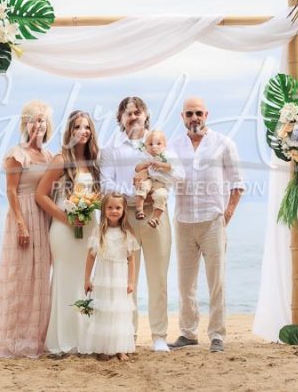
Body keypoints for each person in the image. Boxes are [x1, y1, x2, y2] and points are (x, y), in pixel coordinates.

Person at [99, 97, 184, 352]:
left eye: (137, 112)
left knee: (158, 277)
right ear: (121, 118)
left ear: (146, 114)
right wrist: (134, 189)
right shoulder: (111, 148)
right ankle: (129, 334)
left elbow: (179, 175)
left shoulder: (160, 142)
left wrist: (153, 173)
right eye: (128, 113)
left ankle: (159, 335)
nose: (133, 117)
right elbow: (105, 184)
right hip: (127, 215)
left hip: (156, 213)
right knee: (128, 279)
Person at [168, 97, 244, 353]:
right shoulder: (173, 146)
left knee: (216, 281)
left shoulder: (224, 143)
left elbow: (237, 182)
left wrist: (228, 212)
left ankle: (217, 335)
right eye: (189, 114)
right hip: (183, 221)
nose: (194, 118)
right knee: (185, 282)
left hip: (212, 222)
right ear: (182, 117)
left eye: (198, 113)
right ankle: (188, 333)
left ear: (207, 114)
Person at [0, 100, 54, 358]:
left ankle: (34, 338)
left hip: (43, 217)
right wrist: (21, 224)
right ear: (25, 124)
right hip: (23, 215)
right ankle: (13, 339)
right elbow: (11, 190)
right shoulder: (17, 153)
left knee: (39, 280)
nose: (38, 125)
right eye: (34, 120)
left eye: (42, 120)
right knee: (20, 277)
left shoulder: (48, 156)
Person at [36, 110, 101, 355]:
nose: (82, 132)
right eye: (77, 127)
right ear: (70, 132)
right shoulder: (61, 159)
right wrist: (67, 219)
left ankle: (85, 338)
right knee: (65, 280)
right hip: (64, 230)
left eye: (86, 127)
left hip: (89, 229)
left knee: (86, 282)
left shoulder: (94, 162)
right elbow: (41, 195)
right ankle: (62, 341)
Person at [79, 193, 140, 361]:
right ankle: (104, 347)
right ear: (104, 209)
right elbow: (90, 257)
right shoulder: (99, 231)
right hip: (103, 276)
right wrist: (87, 279)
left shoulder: (127, 232)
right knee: (104, 311)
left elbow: (131, 259)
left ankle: (120, 348)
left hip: (119, 277)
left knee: (119, 311)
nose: (114, 211)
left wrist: (131, 281)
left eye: (118, 208)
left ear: (124, 210)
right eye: (110, 207)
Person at [133, 129, 171, 222]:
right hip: (149, 180)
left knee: (161, 195)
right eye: (150, 144)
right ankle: (139, 209)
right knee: (141, 186)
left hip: (160, 184)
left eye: (158, 144)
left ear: (165, 145)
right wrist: (146, 164)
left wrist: (161, 164)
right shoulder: (144, 156)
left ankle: (156, 218)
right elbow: (137, 168)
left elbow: (170, 167)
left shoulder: (166, 156)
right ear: (145, 146)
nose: (154, 147)